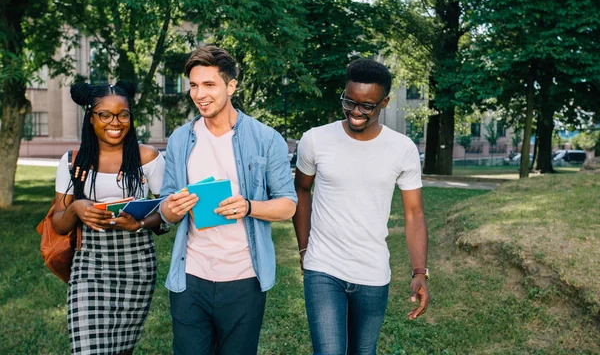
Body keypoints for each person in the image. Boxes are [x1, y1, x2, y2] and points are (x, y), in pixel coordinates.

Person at [158, 46, 297, 355]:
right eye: (194, 85)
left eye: (209, 85)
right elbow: (165, 206)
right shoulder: (181, 139)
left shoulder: (265, 138)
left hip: (244, 279)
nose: (199, 94)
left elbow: (288, 204)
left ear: (231, 86)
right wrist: (172, 208)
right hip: (191, 277)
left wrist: (248, 206)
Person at [293, 58, 430, 354]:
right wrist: (304, 249)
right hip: (323, 267)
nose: (355, 111)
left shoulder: (402, 148)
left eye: (366, 105)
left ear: (384, 102)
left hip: (372, 272)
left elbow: (413, 212)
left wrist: (420, 270)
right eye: (349, 101)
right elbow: (302, 190)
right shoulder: (315, 140)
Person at [52, 81, 167, 355]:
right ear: (91, 118)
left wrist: (140, 222)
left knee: (120, 349)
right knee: (87, 349)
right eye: (105, 115)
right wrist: (75, 208)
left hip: (136, 265)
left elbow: (168, 214)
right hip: (90, 265)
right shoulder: (72, 162)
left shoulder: (147, 157)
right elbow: (58, 223)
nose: (115, 122)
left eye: (123, 114)